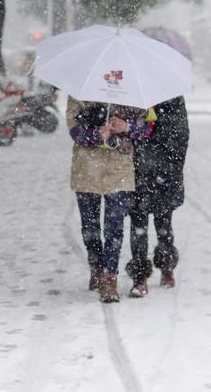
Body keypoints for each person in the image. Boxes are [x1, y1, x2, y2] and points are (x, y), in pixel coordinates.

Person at [67, 98, 152, 303]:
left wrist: (127, 126)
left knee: (114, 228)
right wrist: (95, 135)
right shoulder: (80, 90)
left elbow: (147, 128)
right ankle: (95, 266)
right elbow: (73, 128)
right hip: (86, 167)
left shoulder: (132, 90)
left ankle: (109, 277)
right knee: (90, 226)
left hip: (120, 168)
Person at [125, 95, 189, 298]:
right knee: (138, 225)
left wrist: (154, 119)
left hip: (164, 170)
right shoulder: (129, 93)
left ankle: (166, 266)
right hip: (135, 170)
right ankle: (139, 277)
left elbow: (180, 134)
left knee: (164, 224)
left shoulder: (171, 95)